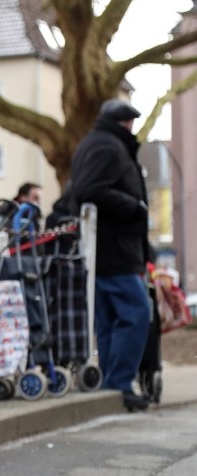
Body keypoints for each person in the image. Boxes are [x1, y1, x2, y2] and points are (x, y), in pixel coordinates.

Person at [69, 98, 151, 411]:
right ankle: (118, 384)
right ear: (124, 123)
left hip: (104, 248)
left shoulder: (95, 144)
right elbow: (90, 189)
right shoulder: (109, 147)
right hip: (115, 249)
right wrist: (135, 207)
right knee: (135, 312)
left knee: (108, 318)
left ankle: (111, 387)